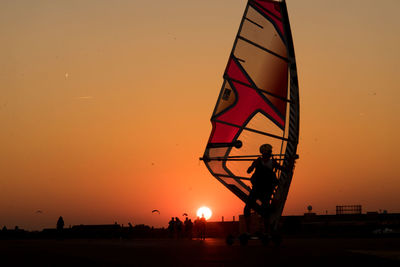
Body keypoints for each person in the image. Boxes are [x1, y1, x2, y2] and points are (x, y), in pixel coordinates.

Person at [244, 144, 284, 232]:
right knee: (247, 208)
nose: (271, 153)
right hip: (257, 189)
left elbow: (283, 169)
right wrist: (254, 165)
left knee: (265, 210)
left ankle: (266, 230)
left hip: (266, 189)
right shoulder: (258, 161)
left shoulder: (272, 162)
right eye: (270, 152)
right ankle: (248, 230)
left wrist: (291, 162)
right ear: (265, 152)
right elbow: (248, 171)